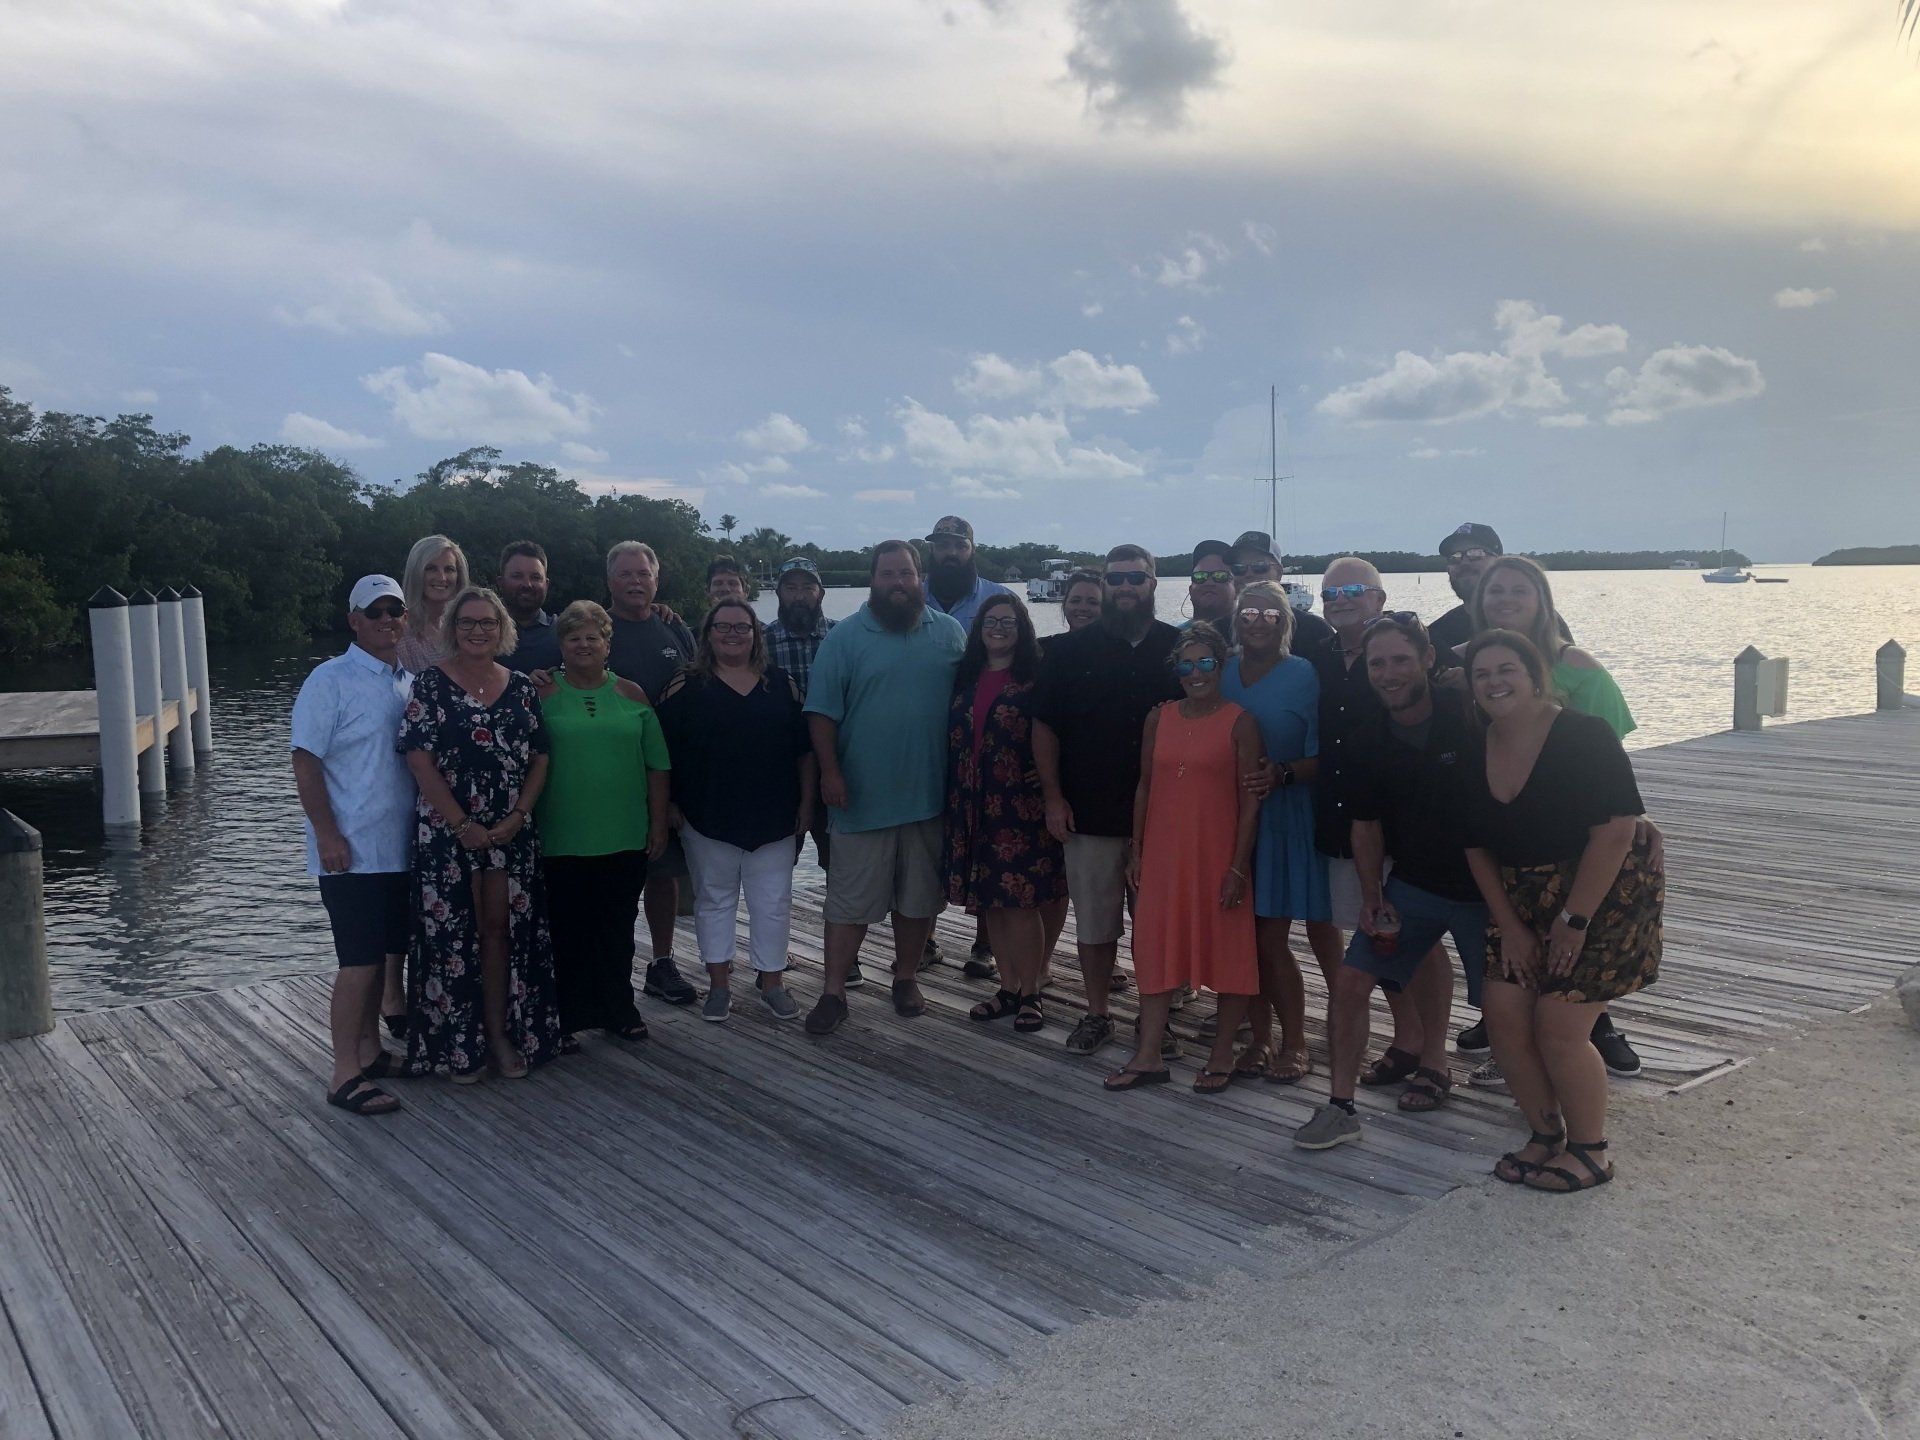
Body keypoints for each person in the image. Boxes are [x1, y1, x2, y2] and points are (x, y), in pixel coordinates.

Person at [1453, 630, 1663, 1192]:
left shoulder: (1584, 735)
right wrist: (1512, 927)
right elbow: (1476, 846)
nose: (1495, 682)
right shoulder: (1474, 746)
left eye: (1507, 669)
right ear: (1471, 688)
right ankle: (1545, 1135)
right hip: (1519, 898)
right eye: (1482, 674)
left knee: (1559, 1026)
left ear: (1535, 674)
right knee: (1502, 1013)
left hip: (1601, 895)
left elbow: (1617, 828)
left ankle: (1590, 1150)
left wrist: (1573, 921)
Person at [1294, 614, 1488, 1149]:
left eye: (1401, 658)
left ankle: (1549, 1116)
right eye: (1377, 663)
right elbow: (1366, 824)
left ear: (1428, 659)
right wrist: (1373, 898)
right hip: (1416, 885)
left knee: (1508, 1005)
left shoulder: (1471, 714)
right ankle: (1340, 1107)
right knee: (1353, 982)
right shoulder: (1368, 740)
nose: (1388, 672)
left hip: (1488, 888)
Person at [1463, 552, 1647, 1079]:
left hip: (1577, 843)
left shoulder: (1579, 667)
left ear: (1542, 601)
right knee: (1514, 950)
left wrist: (1640, 818)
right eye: (1495, 591)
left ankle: (1596, 1026)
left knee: (1574, 944)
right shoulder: (1464, 664)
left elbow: (1613, 757)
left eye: (1520, 590)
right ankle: (1510, 1035)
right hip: (1505, 836)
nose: (1506, 600)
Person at [399, 586, 563, 1082]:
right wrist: (461, 824)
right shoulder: (429, 685)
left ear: (502, 629)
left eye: (487, 623)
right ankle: (458, 1044)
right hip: (449, 831)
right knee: (453, 936)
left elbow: (540, 757)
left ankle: (497, 1033)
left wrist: (518, 816)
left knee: (499, 934)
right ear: (453, 629)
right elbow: (417, 757)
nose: (477, 630)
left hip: (510, 829)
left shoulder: (519, 686)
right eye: (467, 622)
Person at [801, 540, 966, 1035]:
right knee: (848, 903)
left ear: (921, 579)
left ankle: (906, 977)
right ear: (873, 581)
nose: (898, 582)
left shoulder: (952, 635)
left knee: (918, 901)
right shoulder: (845, 638)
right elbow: (821, 713)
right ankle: (833, 991)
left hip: (929, 799)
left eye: (906, 574)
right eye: (888, 574)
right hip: (861, 799)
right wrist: (830, 772)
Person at [1299, 556, 1447, 1080]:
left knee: (1421, 942)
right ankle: (1408, 1036)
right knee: (1381, 932)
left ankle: (1434, 1055)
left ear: (1380, 599)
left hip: (1405, 826)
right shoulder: (1313, 656)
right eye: (1331, 593)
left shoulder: (1409, 653)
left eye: (1354, 590)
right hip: (1344, 821)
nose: (1341, 600)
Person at [1033, 544, 1184, 1056]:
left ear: (1153, 583)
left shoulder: (1178, 648)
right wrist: (1053, 798)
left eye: (1134, 579)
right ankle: (1096, 1013)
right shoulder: (1070, 651)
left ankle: (1154, 1018)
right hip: (1088, 815)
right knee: (1096, 925)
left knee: (1154, 927)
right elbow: (1044, 728)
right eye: (1115, 579)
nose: (1124, 588)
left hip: (1164, 819)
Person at [1105, 625, 1264, 1093]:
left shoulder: (1241, 722)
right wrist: (1137, 848)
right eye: (1186, 665)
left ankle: (1221, 1054)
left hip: (1217, 855)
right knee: (1153, 946)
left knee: (1228, 948)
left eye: (1205, 663)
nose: (1195, 673)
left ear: (1221, 666)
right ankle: (1149, 1053)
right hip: (1162, 854)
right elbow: (1144, 786)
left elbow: (1250, 799)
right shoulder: (1160, 717)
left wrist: (1238, 865)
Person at [291, 575, 418, 1116]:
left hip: (403, 850)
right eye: (376, 611)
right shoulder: (330, 679)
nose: (387, 620)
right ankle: (343, 1073)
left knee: (386, 957)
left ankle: (370, 1051)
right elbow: (305, 760)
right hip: (352, 851)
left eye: (396, 610)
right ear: (355, 621)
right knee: (358, 963)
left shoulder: (409, 681)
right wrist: (326, 834)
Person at [658, 600, 815, 1023]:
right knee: (714, 901)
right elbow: (662, 752)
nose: (733, 634)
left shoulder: (782, 685)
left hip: (775, 818)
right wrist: (670, 803)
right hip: (707, 817)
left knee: (773, 903)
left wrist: (806, 803)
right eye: (722, 627)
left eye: (742, 627)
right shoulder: (684, 687)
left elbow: (804, 752)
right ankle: (719, 985)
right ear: (707, 634)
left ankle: (773, 982)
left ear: (755, 634)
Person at [535, 600, 668, 1040]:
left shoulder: (632, 694)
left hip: (624, 832)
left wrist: (658, 820)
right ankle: (567, 1017)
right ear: (561, 644)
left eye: (594, 636)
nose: (584, 644)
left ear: (608, 644)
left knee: (616, 925)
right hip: (560, 834)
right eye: (574, 637)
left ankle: (618, 1008)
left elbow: (657, 765)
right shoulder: (540, 694)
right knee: (566, 928)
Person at [1217, 581, 1326, 1084]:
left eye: (1271, 613)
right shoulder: (1222, 673)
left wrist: (1282, 773)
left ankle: (1296, 1042)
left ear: (1286, 622)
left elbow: (1326, 757)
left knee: (1269, 937)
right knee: (1240, 936)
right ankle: (1258, 1039)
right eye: (1249, 611)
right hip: (1229, 819)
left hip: (1284, 820)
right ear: (1236, 618)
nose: (1258, 620)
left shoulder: (1303, 674)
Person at [945, 594, 1067, 1032]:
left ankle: (1032, 990)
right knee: (992, 903)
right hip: (971, 802)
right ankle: (1008, 988)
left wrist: (1054, 780)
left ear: (1023, 628)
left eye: (1009, 622)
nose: (998, 628)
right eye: (991, 621)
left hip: (1019, 805)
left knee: (1021, 901)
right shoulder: (965, 676)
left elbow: (1061, 732)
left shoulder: (1036, 678)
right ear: (979, 628)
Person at [602, 540, 701, 1007]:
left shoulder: (674, 629)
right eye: (625, 574)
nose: (636, 582)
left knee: (663, 875)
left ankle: (662, 962)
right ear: (610, 581)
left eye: (643, 574)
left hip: (671, 774)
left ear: (656, 580)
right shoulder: (595, 630)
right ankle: (607, 971)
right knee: (615, 879)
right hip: (612, 778)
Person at [924, 514, 1015, 977]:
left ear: (971, 549)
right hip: (925, 742)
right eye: (941, 545)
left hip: (984, 743)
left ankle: (984, 945)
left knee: (987, 838)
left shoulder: (999, 599)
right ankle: (925, 937)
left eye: (957, 545)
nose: (949, 553)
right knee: (928, 840)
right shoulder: (909, 598)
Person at [765, 554, 838, 879]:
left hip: (836, 769)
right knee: (773, 868)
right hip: (780, 772)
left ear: (820, 593)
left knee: (842, 866)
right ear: (778, 594)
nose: (800, 595)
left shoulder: (843, 637)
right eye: (791, 587)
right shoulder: (759, 641)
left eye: (808, 587)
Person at [1427, 522, 1570, 660]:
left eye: (1476, 553)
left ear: (1499, 562)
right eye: (1455, 556)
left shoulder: (1539, 622)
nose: (1464, 562)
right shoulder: (1436, 634)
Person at [923, 514, 1014, 631]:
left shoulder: (1004, 598)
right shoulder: (912, 600)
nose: (952, 553)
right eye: (943, 545)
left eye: (961, 546)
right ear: (931, 549)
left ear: (973, 550)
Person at [396, 534, 469, 674]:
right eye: (431, 568)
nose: (442, 577)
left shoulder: (463, 628)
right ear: (416, 573)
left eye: (449, 569)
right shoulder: (399, 632)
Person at [498, 540, 562, 674]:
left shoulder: (562, 633)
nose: (527, 584)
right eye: (517, 576)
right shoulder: (481, 632)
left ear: (547, 585)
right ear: (500, 582)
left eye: (535, 577)